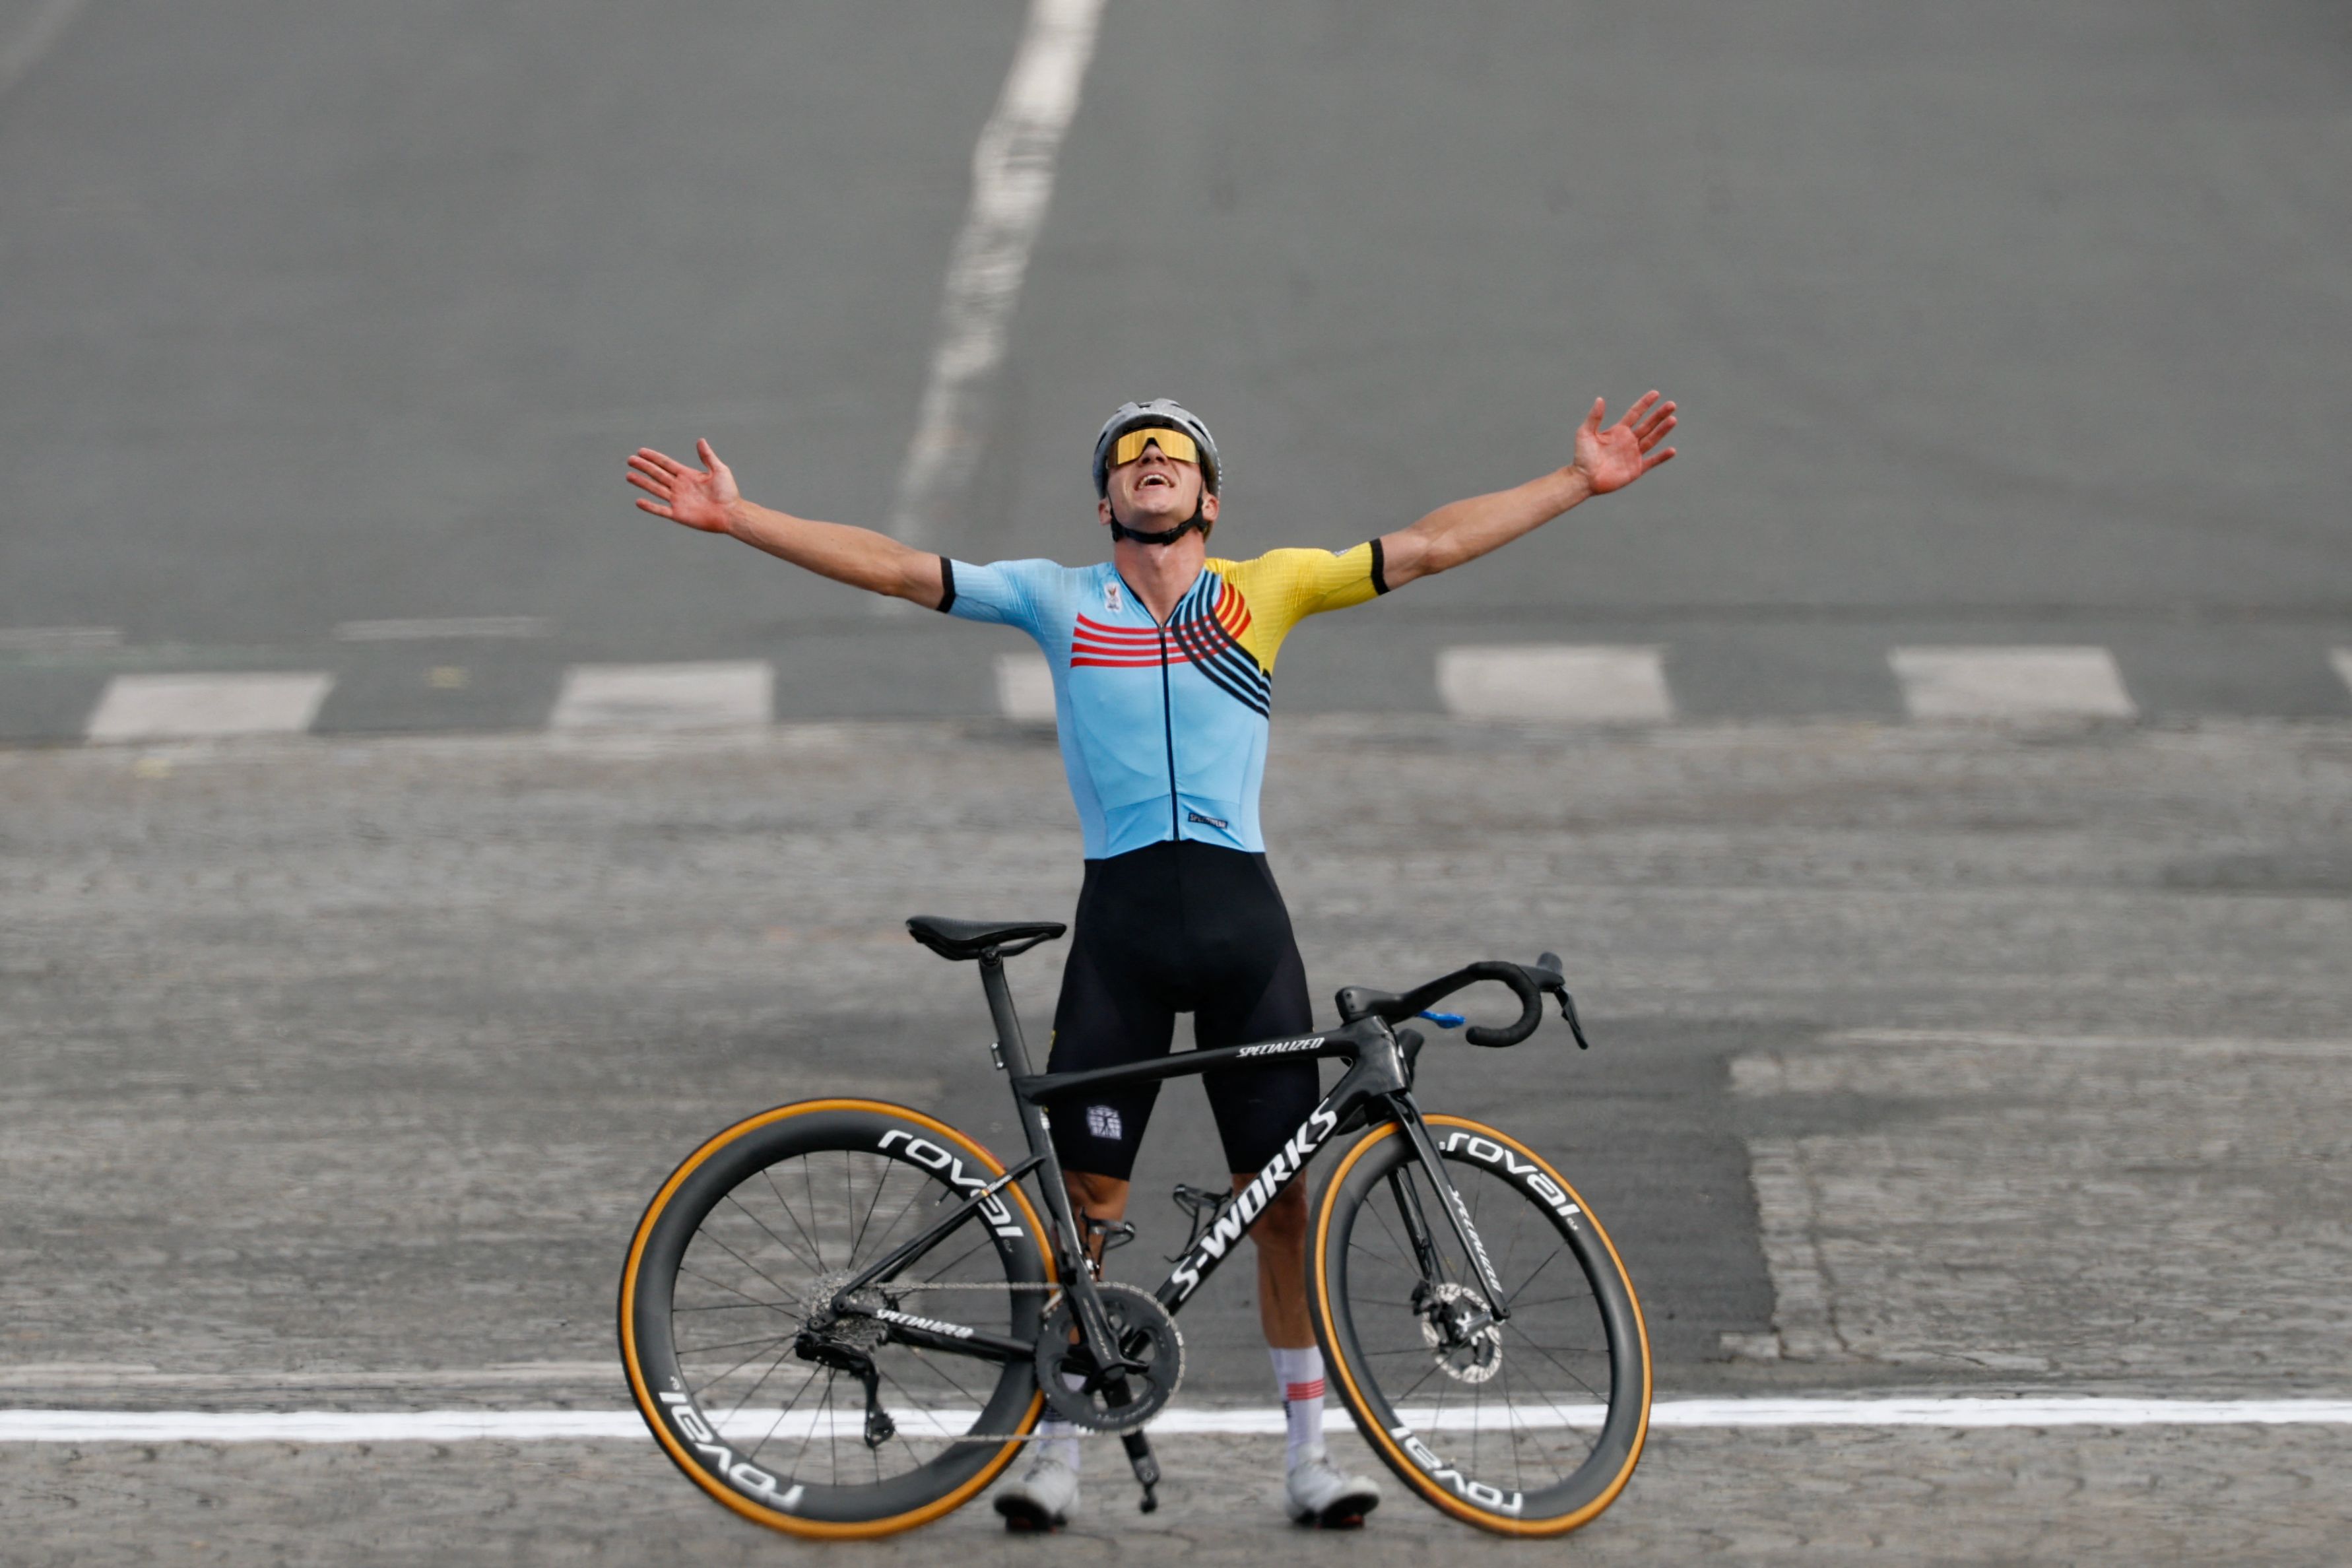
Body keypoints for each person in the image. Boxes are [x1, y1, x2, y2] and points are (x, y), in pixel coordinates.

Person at [625, 391, 1676, 1529]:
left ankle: (1310, 1463)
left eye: (1175, 455)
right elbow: (893, 567)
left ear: (1209, 500)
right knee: (1087, 1207)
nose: (1153, 463)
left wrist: (1573, 483)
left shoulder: (1265, 589)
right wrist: (744, 520)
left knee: (1281, 1207)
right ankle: (1059, 1456)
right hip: (1121, 932)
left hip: (1243, 932)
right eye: (1131, 457)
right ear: (1105, 502)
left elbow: (1427, 545)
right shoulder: (1058, 597)